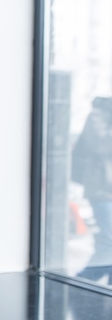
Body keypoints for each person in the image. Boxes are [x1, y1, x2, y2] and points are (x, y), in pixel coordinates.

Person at [73, 96, 112, 283]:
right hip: (102, 188)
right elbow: (100, 148)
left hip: (106, 186)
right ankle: (85, 279)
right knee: (108, 239)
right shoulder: (97, 116)